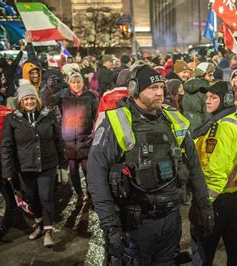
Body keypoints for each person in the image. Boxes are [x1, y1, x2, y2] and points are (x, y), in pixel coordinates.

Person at [87, 65, 213, 264]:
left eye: (161, 87)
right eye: (153, 88)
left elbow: (194, 165)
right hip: (136, 225)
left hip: (171, 220)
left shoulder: (174, 120)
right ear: (135, 90)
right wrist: (111, 226)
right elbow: (96, 176)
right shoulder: (117, 122)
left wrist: (204, 204)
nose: (159, 92)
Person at [191, 80, 237, 265]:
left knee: (205, 246)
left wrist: (204, 204)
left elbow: (215, 173)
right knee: (233, 237)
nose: (207, 101)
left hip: (221, 197)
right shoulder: (235, 119)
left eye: (213, 97)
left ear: (225, 99)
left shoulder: (221, 128)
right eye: (207, 97)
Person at [0, 83, 68, 247]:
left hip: (47, 164)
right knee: (31, 198)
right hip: (25, 167)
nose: (30, 101)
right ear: (21, 101)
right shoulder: (11, 119)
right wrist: (8, 170)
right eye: (26, 99)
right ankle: (38, 224)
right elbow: (6, 146)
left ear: (36, 100)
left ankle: (48, 231)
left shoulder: (48, 115)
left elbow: (58, 141)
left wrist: (63, 165)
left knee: (46, 197)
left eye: (32, 98)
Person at [43, 72, 98, 200]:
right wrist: (49, 89)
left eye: (78, 82)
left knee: (87, 169)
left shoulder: (90, 96)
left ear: (82, 83)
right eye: (73, 82)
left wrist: (94, 133)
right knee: (73, 170)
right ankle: (79, 194)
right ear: (69, 83)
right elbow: (48, 102)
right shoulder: (63, 95)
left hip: (85, 139)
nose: (76, 85)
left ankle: (91, 194)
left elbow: (97, 115)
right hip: (68, 140)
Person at [182, 62, 214, 132]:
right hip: (200, 129)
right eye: (210, 75)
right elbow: (208, 114)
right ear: (202, 75)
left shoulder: (188, 87)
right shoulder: (206, 90)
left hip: (186, 127)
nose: (213, 78)